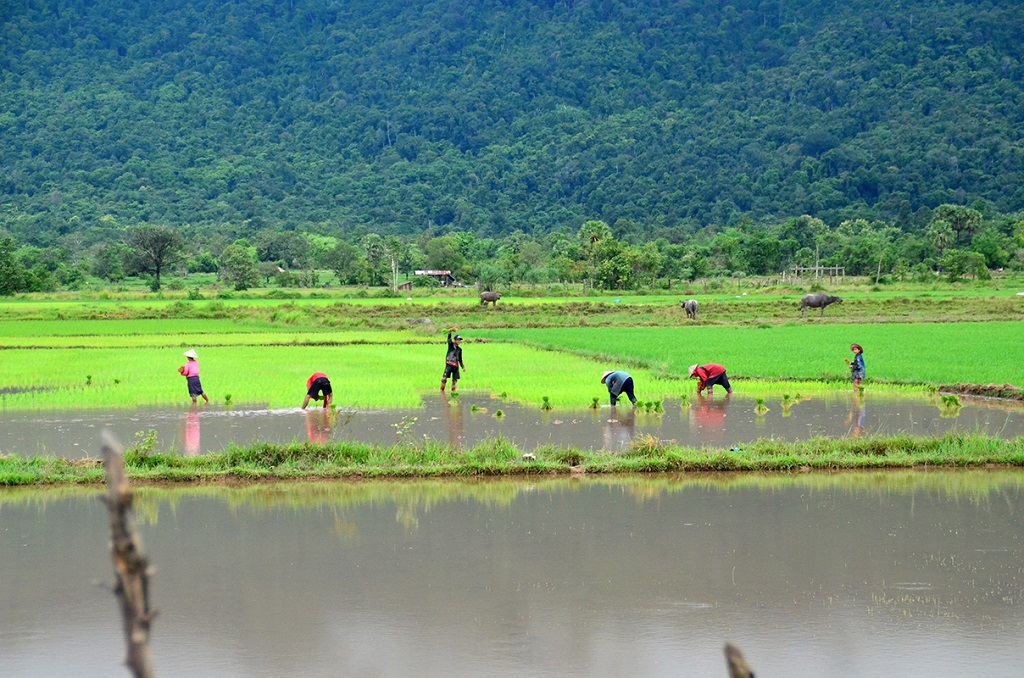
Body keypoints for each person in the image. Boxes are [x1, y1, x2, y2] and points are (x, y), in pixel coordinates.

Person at [440, 328, 466, 392]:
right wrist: (450, 331)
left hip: (455, 366)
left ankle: (453, 393)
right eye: (458, 340)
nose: (459, 341)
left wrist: (463, 367)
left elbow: (460, 359)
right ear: (454, 340)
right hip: (449, 364)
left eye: (460, 340)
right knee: (444, 379)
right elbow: (449, 339)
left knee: (454, 381)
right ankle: (442, 392)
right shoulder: (451, 345)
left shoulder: (459, 349)